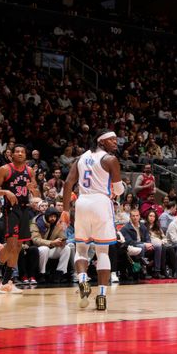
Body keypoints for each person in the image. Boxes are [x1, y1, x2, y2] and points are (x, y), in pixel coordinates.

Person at [62, 129, 124, 311]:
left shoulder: (80, 158)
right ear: (101, 142)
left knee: (81, 248)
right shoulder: (110, 160)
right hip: (100, 203)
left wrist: (65, 210)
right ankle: (102, 296)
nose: (115, 142)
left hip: (81, 203)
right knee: (102, 251)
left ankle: (82, 280)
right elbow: (119, 190)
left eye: (115, 139)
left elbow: (67, 184)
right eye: (111, 140)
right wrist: (116, 189)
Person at [0, 145, 40, 294]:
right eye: (17, 152)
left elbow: (36, 193)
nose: (20, 153)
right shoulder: (5, 169)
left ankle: (7, 282)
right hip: (11, 210)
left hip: (24, 210)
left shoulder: (30, 171)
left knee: (18, 247)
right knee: (10, 245)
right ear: (11, 155)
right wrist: (6, 192)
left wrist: (34, 192)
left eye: (23, 151)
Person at [122, 208, 164, 279]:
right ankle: (143, 271)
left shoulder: (142, 226)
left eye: (137, 216)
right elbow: (129, 242)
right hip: (131, 247)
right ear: (130, 217)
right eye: (133, 216)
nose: (135, 217)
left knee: (158, 246)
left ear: (139, 216)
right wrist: (145, 244)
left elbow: (147, 238)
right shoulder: (125, 228)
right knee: (141, 246)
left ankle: (157, 271)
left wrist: (149, 244)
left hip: (143, 246)